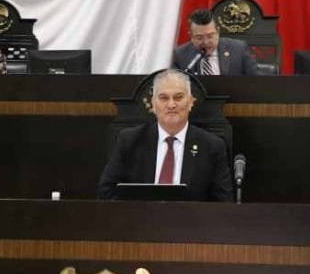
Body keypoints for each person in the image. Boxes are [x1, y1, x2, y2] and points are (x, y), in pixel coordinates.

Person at [98, 69, 233, 201]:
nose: (171, 104)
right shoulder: (130, 141)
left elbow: (223, 202)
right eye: (164, 98)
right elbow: (106, 192)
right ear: (153, 104)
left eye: (178, 97)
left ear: (191, 102)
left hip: (191, 216)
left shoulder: (212, 146)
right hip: (141, 215)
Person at [172, 8, 258, 75]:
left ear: (218, 31)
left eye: (210, 36)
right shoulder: (180, 55)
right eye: (199, 38)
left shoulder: (238, 49)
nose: (206, 42)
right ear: (191, 36)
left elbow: (256, 81)